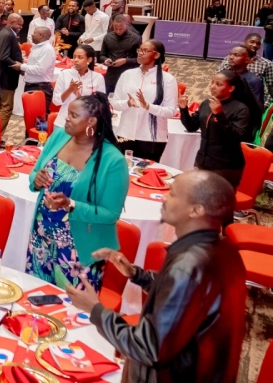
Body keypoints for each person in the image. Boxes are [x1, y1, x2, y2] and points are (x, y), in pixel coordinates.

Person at [66, 170, 245, 383]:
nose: (164, 197)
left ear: (196, 210)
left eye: (173, 193)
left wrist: (96, 310)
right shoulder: (223, 249)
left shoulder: (188, 266)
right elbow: (186, 302)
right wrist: (136, 274)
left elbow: (148, 348)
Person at [26, 93, 128, 290]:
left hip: (79, 248)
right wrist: (36, 180)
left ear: (91, 121)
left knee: (71, 312)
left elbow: (110, 214)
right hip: (41, 239)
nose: (66, 118)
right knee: (36, 298)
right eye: (68, 114)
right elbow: (35, 172)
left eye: (73, 115)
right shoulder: (59, 137)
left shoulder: (112, 160)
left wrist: (70, 204)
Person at [180, 70, 261, 187]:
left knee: (216, 202)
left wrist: (220, 115)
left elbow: (237, 136)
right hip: (203, 160)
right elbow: (191, 126)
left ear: (231, 88)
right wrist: (183, 110)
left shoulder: (240, 109)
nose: (213, 87)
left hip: (225, 166)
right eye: (212, 83)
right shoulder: (207, 103)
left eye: (218, 84)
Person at [110, 40, 178, 162]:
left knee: (147, 174)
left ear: (156, 55)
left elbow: (171, 111)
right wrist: (127, 103)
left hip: (152, 138)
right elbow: (114, 103)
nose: (140, 53)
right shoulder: (127, 75)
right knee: (124, 171)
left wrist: (148, 106)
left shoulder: (167, 79)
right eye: (139, 50)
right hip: (125, 134)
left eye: (145, 51)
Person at [0, 13, 24, 136]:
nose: (21, 27)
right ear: (12, 22)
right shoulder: (7, 35)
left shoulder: (6, 33)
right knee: (6, 108)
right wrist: (19, 66)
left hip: (1, 76)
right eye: (19, 24)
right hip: (5, 78)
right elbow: (4, 56)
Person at [218, 32, 273, 107]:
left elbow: (271, 87)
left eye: (258, 43)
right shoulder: (231, 58)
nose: (255, 45)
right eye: (252, 42)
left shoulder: (266, 63)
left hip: (255, 101)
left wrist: (266, 104)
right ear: (245, 42)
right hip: (231, 98)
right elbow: (219, 78)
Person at [52, 44, 105, 115]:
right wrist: (69, 90)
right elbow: (56, 101)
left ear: (89, 59)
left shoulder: (98, 78)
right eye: (74, 57)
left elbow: (101, 105)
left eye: (80, 57)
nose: (75, 60)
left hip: (87, 120)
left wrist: (79, 96)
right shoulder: (64, 74)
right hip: (65, 119)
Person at [101, 14, 142, 93]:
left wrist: (126, 60)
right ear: (112, 25)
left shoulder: (136, 38)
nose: (118, 31)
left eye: (121, 28)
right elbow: (102, 55)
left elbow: (140, 59)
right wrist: (105, 60)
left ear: (126, 25)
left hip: (129, 76)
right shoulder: (108, 37)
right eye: (116, 29)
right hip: (111, 76)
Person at [21, 27, 56, 107]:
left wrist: (21, 66)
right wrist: (25, 70)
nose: (32, 35)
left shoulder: (47, 49)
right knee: (30, 116)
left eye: (34, 33)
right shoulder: (37, 47)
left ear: (40, 35)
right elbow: (34, 65)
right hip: (33, 86)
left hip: (40, 87)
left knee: (39, 117)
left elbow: (40, 70)